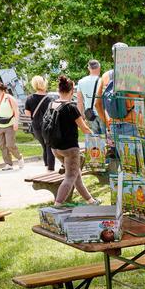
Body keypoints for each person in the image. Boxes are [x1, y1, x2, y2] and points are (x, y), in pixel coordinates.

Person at [48, 75, 98, 206]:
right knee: (70, 177)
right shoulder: (71, 107)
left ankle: (90, 201)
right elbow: (85, 128)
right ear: (72, 91)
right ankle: (57, 205)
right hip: (69, 148)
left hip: (55, 147)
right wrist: (97, 139)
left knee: (76, 174)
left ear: (59, 90)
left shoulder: (52, 104)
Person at [0, 81, 24, 171]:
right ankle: (8, 164)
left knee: (10, 145)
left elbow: (16, 111)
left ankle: (19, 157)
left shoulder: (9, 98)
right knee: (2, 145)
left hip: (9, 124)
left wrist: (16, 122)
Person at [25, 75, 56, 172]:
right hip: (48, 125)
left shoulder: (29, 98)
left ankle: (47, 166)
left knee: (44, 146)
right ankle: (50, 168)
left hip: (36, 126)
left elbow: (27, 114)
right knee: (49, 145)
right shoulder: (50, 98)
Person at [76, 59, 104, 134]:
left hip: (90, 115)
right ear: (99, 68)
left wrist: (80, 116)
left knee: (94, 140)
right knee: (106, 140)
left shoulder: (81, 82)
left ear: (89, 68)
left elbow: (79, 102)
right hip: (102, 113)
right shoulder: (103, 81)